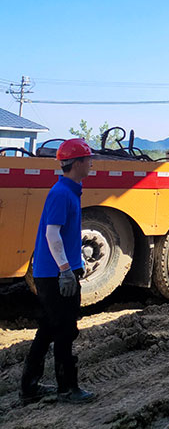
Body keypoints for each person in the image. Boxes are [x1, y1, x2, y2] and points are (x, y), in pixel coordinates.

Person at [20, 138, 96, 405]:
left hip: (57, 271)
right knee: (64, 331)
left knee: (49, 329)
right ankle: (68, 389)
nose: (91, 163)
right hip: (55, 275)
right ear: (76, 163)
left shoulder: (69, 190)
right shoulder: (61, 194)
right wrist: (65, 269)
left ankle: (29, 386)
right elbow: (52, 234)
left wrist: (76, 263)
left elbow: (64, 235)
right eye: (88, 159)